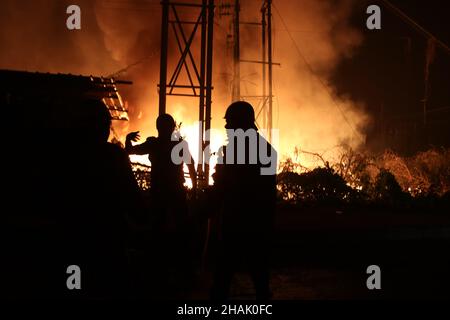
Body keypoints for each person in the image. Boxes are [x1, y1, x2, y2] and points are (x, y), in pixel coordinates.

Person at [211, 101, 277, 300]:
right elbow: (268, 191)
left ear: (240, 123)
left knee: (223, 275)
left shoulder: (232, 151)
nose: (226, 127)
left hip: (236, 222)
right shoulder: (266, 149)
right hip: (259, 223)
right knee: (259, 274)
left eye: (230, 122)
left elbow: (223, 187)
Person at [125, 113, 197, 296]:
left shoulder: (154, 144)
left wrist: (128, 140)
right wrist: (195, 189)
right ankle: (183, 270)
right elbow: (191, 165)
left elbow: (130, 152)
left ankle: (159, 270)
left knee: (158, 230)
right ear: (172, 127)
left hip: (161, 192)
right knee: (181, 229)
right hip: (175, 192)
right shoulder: (178, 144)